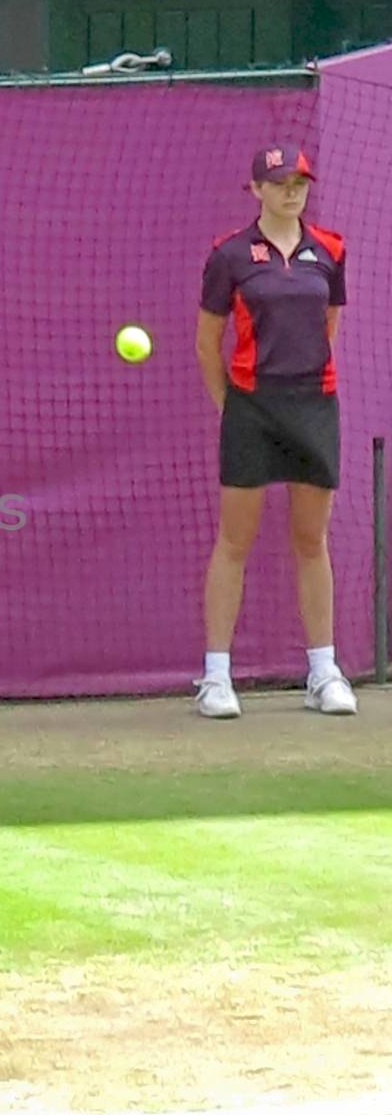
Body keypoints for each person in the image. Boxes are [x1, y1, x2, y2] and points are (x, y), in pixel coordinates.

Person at [193, 142, 357, 719]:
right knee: (234, 541)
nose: (293, 190)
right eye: (280, 182)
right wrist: (230, 405)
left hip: (314, 405)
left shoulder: (330, 250)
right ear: (257, 190)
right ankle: (216, 677)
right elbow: (206, 341)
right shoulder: (230, 256)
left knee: (311, 541)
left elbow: (326, 325)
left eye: (300, 182)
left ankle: (323, 671)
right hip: (251, 409)